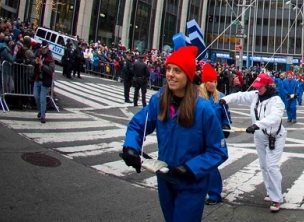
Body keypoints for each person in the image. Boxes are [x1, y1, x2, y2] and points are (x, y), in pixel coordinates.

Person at [121, 46, 228, 221]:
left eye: (177, 71)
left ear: (188, 75)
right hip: (165, 179)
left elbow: (218, 150)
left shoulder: (203, 109)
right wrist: (131, 147)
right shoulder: (158, 100)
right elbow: (137, 125)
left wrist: (191, 168)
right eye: (169, 69)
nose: (170, 74)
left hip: (192, 183)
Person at [221, 73, 287, 213]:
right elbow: (240, 96)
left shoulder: (276, 101)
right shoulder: (255, 96)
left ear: (268, 86)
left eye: (260, 86)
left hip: (275, 136)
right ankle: (270, 191)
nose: (258, 89)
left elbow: (275, 117)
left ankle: (276, 198)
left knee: (272, 166)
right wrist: (225, 99)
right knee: (264, 165)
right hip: (259, 136)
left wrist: (257, 125)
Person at [197, 64, 232, 206]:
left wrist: (226, 125)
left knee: (211, 165)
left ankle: (214, 193)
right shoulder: (197, 96)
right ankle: (199, 189)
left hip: (215, 135)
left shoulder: (220, 97)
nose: (213, 84)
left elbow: (226, 114)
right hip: (198, 134)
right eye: (210, 81)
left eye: (214, 81)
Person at [32, 42, 54, 123]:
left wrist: (42, 65)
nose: (43, 50)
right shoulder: (38, 53)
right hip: (37, 78)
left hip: (45, 80)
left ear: (47, 48)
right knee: (35, 95)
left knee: (42, 99)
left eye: (44, 48)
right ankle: (42, 110)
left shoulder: (50, 57)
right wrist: (35, 62)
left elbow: (51, 70)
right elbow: (31, 60)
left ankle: (43, 116)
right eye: (42, 48)